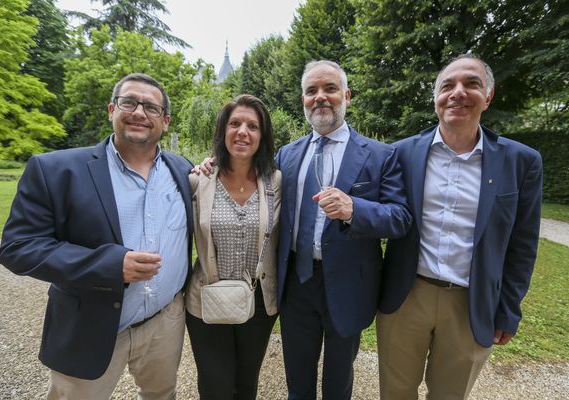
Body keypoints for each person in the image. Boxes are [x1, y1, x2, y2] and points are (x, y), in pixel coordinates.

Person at [0, 73, 193, 399]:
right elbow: (18, 247)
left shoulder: (183, 168)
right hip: (89, 325)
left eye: (151, 107)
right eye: (129, 102)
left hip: (164, 322)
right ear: (111, 109)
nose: (139, 112)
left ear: (166, 121)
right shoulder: (55, 170)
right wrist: (109, 264)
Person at [378, 54, 543, 399]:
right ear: (436, 97)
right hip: (407, 296)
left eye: (471, 83)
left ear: (489, 95)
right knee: (395, 392)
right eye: (447, 85)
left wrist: (509, 310)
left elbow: (523, 245)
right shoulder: (400, 154)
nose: (458, 92)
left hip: (472, 302)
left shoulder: (521, 162)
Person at [275, 60, 411, 399]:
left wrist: (354, 209)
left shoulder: (381, 155)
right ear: (303, 100)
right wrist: (213, 164)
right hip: (296, 282)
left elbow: (400, 218)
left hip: (350, 284)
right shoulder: (286, 155)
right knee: (297, 379)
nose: (320, 97)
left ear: (346, 96)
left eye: (330, 89)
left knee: (338, 383)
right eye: (311, 91)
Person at [184, 94, 281, 399]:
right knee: (216, 386)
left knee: (246, 383)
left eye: (253, 126)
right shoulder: (199, 181)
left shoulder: (275, 181)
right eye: (235, 123)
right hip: (206, 300)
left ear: (262, 136)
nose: (243, 131)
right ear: (222, 131)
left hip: (258, 305)